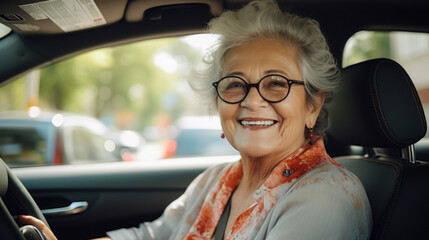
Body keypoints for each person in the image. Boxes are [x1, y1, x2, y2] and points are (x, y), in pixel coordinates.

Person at [20, 0, 372, 239]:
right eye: (235, 85)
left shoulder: (326, 196)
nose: (252, 101)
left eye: (276, 84)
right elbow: (152, 236)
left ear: (313, 104)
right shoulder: (219, 180)